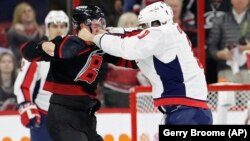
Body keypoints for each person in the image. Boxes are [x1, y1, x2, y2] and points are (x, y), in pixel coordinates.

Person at [78, 2, 213, 125]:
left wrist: (93, 37)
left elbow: (128, 48)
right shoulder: (168, 33)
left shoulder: (163, 33)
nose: (141, 30)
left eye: (144, 26)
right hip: (185, 111)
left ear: (155, 23)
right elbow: (132, 33)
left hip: (187, 113)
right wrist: (106, 32)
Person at [20, 5, 138, 141]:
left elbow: (132, 61)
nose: (100, 29)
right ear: (82, 26)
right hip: (63, 115)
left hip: (87, 116)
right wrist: (41, 46)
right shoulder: (65, 42)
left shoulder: (102, 45)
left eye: (101, 24)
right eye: (95, 25)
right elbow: (27, 51)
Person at [14, 10, 69, 141]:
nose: (59, 30)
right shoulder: (36, 53)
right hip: (44, 117)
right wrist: (26, 105)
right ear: (47, 28)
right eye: (54, 26)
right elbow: (23, 85)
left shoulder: (76, 53)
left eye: (62, 26)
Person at [7, 2, 44, 67]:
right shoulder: (13, 32)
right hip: (19, 64)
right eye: (24, 12)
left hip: (38, 65)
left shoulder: (41, 32)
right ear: (18, 15)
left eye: (29, 11)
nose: (27, 14)